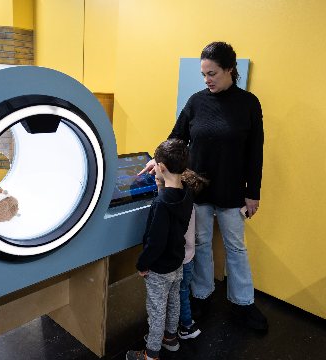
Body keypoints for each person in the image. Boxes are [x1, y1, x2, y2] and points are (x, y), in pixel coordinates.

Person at [138, 41, 267, 330]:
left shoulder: (249, 103)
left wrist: (253, 193)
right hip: (198, 189)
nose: (207, 80)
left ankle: (243, 303)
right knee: (201, 244)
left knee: (236, 247)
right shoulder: (196, 101)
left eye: (213, 74)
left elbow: (255, 151)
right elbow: (176, 137)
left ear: (230, 70)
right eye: (204, 74)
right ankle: (202, 295)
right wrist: (156, 159)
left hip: (234, 192)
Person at [127, 139, 194, 360]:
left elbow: (155, 242)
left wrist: (142, 264)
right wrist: (160, 188)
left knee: (157, 311)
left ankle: (151, 354)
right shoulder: (186, 192)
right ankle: (170, 339)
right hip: (177, 261)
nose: (154, 167)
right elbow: (173, 220)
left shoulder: (161, 203)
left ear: (161, 167)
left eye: (155, 164)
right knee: (174, 302)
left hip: (159, 268)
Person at [156, 169, 209, 340]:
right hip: (188, 259)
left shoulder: (176, 208)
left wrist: (159, 186)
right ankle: (186, 325)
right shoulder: (190, 206)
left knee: (175, 295)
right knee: (183, 292)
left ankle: (185, 326)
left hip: (178, 262)